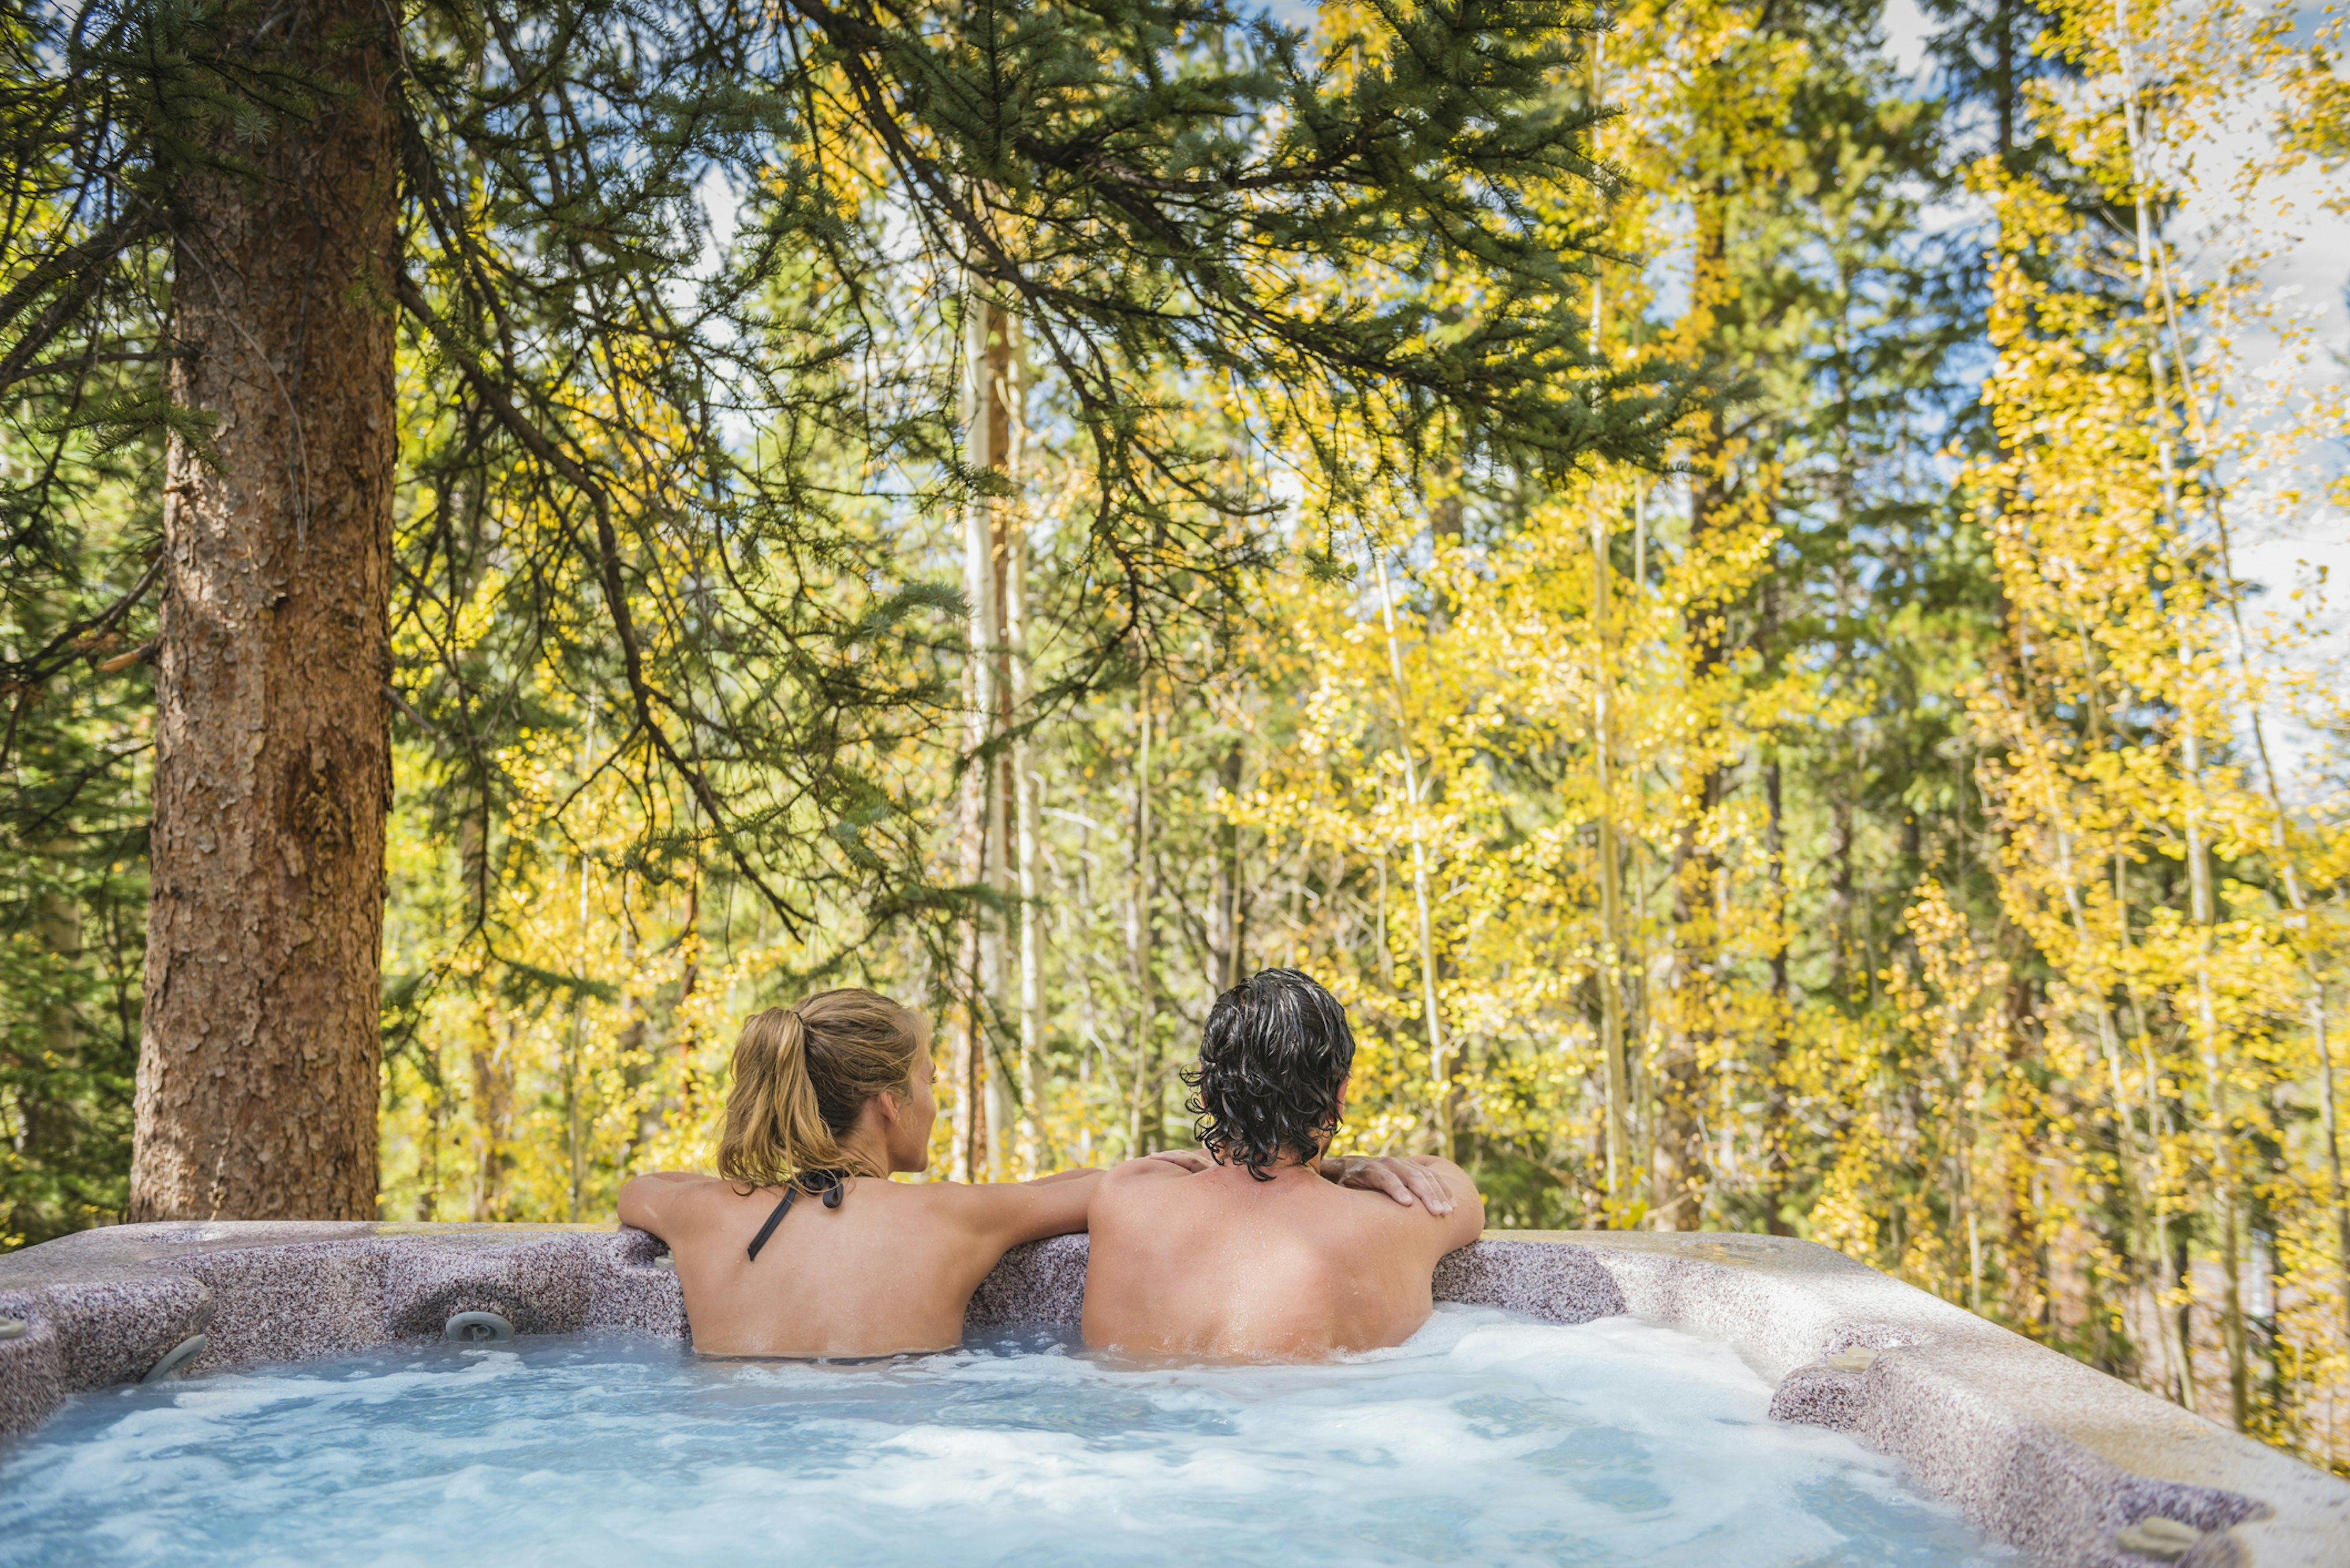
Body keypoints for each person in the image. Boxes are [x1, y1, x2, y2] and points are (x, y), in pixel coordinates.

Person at [617, 986, 1441, 1359]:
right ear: (889, 1105)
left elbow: (639, 1190)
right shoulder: (953, 1218)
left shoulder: (699, 1213)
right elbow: (1112, 1183)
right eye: (929, 1081)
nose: (937, 1099)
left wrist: (727, 1187)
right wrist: (1320, 1156)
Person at [1081, 968, 1484, 1360]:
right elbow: (1460, 1192)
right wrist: (1343, 1167)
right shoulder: (1396, 1223)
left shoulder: (1126, 1196)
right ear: (1339, 1096)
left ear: (1205, 1090)